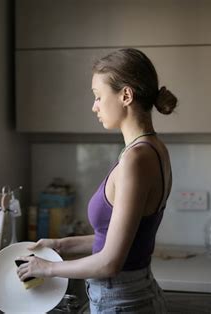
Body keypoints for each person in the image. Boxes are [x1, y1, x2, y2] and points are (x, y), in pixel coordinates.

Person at [16, 48, 177, 313]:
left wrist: (48, 268)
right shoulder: (152, 148)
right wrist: (59, 245)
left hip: (122, 301)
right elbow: (113, 238)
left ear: (125, 95)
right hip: (133, 295)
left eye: (98, 96)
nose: (94, 106)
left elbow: (110, 262)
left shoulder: (137, 159)